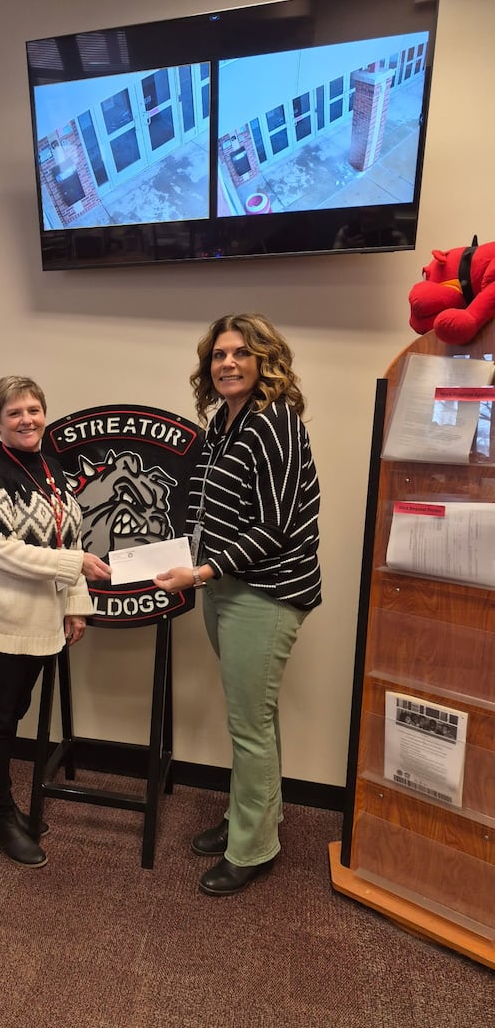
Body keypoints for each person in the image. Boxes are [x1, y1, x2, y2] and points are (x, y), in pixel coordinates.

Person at [154, 313, 321, 897]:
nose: (227, 363)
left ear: (263, 361)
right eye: (218, 355)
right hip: (224, 585)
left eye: (240, 354)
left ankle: (251, 847)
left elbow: (275, 527)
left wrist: (198, 571)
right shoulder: (225, 423)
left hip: (264, 591)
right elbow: (206, 510)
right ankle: (256, 815)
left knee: (248, 724)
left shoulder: (273, 422)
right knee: (258, 717)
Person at [0, 376, 111, 868]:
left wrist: (75, 603)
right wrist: (74, 569)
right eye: (15, 412)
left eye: (34, 410)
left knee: (14, 711)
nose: (26, 419)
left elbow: (72, 539)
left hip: (42, 622)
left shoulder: (52, 468)